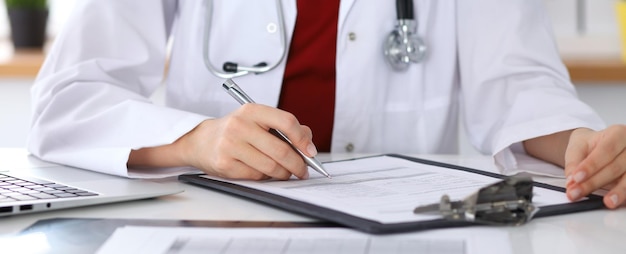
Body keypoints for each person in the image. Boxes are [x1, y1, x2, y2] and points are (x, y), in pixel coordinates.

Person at [28, 0, 626, 209]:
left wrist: (580, 148)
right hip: (217, 225)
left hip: (404, 236)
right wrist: (195, 140)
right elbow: (68, 98)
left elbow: (520, 84)